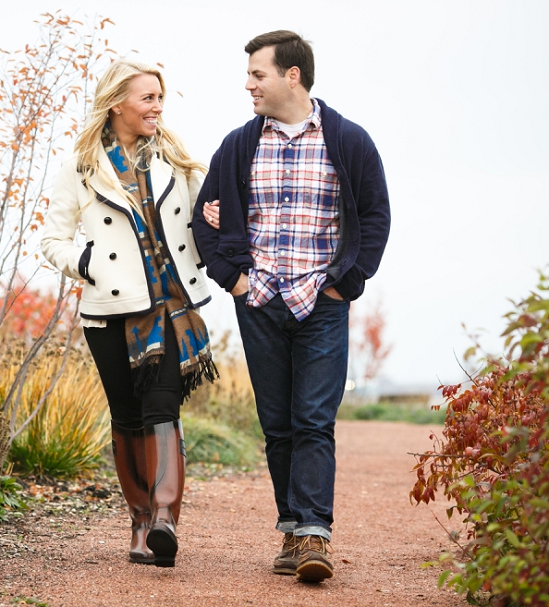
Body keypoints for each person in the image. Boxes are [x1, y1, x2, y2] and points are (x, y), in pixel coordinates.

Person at [192, 31, 391, 582]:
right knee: (278, 424)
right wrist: (232, 280)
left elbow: (375, 217)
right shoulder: (237, 146)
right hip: (258, 302)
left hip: (320, 303)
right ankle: (291, 524)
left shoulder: (348, 141)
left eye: (258, 73)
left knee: (313, 420)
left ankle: (311, 535)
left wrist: (343, 284)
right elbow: (202, 218)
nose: (249, 84)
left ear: (292, 75)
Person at [41, 60, 217, 568]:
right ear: (117, 102)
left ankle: (164, 519)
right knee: (126, 416)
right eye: (147, 98)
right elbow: (52, 238)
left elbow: (203, 224)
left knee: (163, 409)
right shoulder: (81, 166)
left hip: (168, 305)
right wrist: (86, 263)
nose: (157, 107)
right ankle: (139, 522)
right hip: (108, 307)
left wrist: (215, 224)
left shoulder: (179, 161)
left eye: (160, 98)